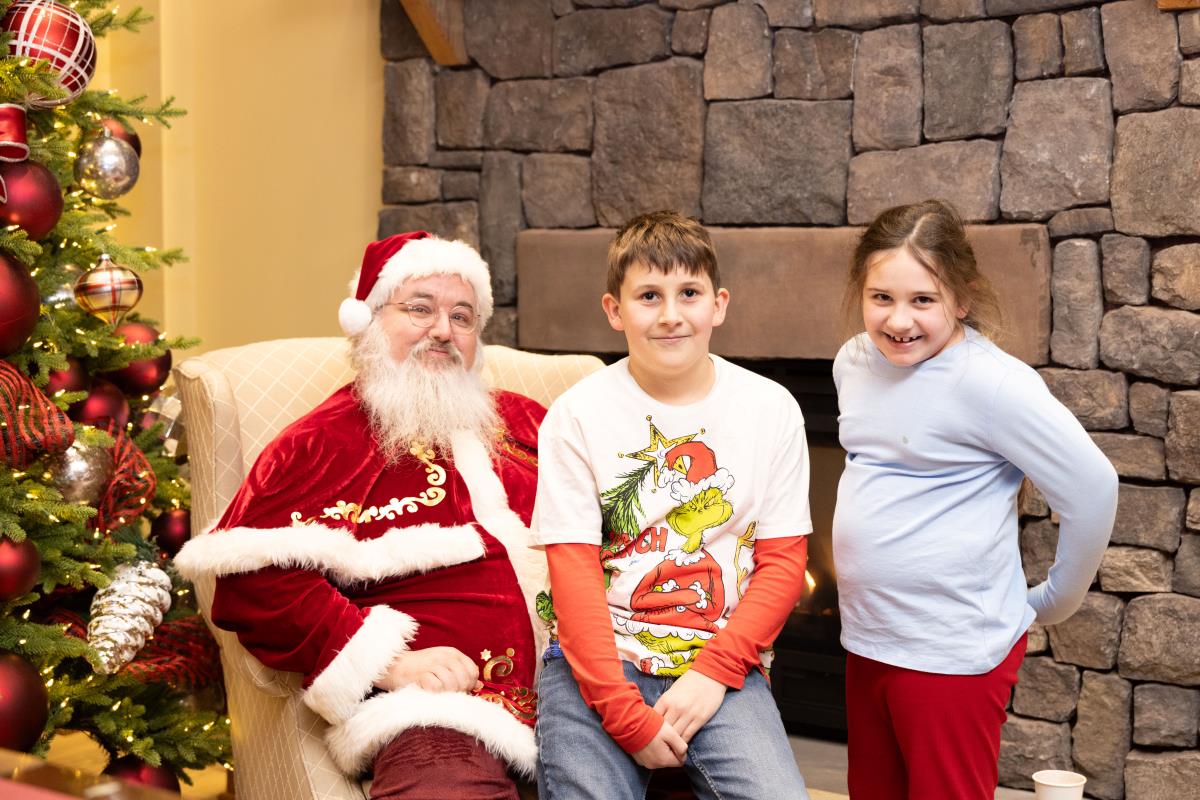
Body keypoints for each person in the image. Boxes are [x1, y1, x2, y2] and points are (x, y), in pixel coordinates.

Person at [175, 231, 548, 800]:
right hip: (442, 714)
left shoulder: (534, 424)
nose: (443, 331)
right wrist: (390, 661)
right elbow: (254, 582)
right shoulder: (322, 442)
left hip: (588, 694)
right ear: (370, 322)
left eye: (463, 317)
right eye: (419, 309)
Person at [833, 200, 1118, 800]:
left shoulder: (992, 384)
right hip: (870, 636)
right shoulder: (854, 361)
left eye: (923, 300)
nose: (898, 320)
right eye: (881, 297)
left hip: (952, 648)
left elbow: (1093, 488)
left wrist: (1054, 600)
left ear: (961, 299)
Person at [533, 210, 813, 799]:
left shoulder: (772, 409)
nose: (670, 314)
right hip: (598, 662)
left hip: (719, 659)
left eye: (689, 293)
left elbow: (784, 564)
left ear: (719, 304)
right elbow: (573, 573)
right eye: (648, 295)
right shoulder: (577, 416)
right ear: (614, 310)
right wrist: (623, 714)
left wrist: (716, 671)